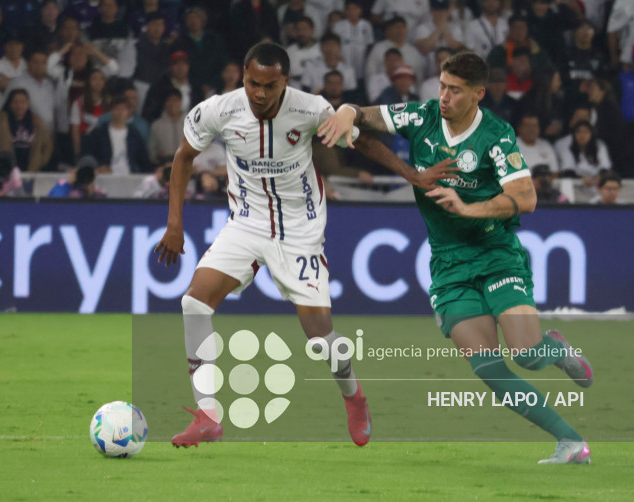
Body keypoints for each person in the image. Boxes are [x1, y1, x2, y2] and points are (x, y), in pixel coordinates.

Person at [153, 42, 450, 448]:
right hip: (246, 222)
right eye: (253, 83)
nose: (259, 93)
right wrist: (174, 224)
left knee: (318, 337)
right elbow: (184, 157)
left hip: (299, 228)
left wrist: (410, 174)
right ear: (242, 75)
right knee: (194, 303)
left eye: (269, 86)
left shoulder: (310, 109)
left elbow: (360, 141)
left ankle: (354, 395)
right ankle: (207, 415)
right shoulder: (219, 110)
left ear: (285, 82)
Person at [319, 51, 594, 464]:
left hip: (495, 252)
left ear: (478, 94)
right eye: (442, 86)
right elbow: (362, 116)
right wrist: (344, 111)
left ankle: (555, 349)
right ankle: (570, 442)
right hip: (449, 265)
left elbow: (526, 198)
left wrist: (468, 208)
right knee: (488, 368)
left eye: (455, 90)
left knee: (526, 354)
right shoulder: (423, 117)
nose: (443, 97)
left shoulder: (496, 135)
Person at [0, 89, 53, 172]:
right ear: (10, 104)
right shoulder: (0, 121)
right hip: (7, 171)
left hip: (30, 172)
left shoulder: (37, 122)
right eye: (16, 102)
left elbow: (48, 145)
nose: (19, 106)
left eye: (23, 102)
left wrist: (40, 161)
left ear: (28, 104)